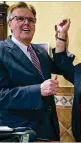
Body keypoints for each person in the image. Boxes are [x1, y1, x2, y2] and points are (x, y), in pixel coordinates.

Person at [0, 2, 61, 141]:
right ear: (9, 24)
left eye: (31, 20)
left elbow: (61, 67)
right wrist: (38, 90)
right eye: (20, 18)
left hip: (47, 130)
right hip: (18, 133)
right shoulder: (1, 51)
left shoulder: (40, 51)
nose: (26, 23)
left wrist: (62, 36)